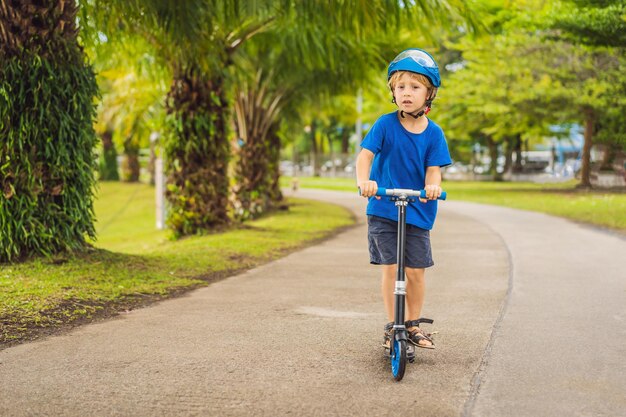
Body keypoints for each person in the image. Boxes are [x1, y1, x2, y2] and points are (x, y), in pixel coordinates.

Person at [356, 48, 452, 352]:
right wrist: (364, 181)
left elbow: (433, 171)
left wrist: (432, 187)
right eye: (400, 87)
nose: (406, 93)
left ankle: (411, 324)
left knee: (415, 271)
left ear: (429, 93)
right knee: (390, 266)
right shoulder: (384, 125)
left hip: (418, 211)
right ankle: (392, 325)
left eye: (414, 87)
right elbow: (365, 156)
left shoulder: (434, 134)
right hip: (384, 208)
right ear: (392, 92)